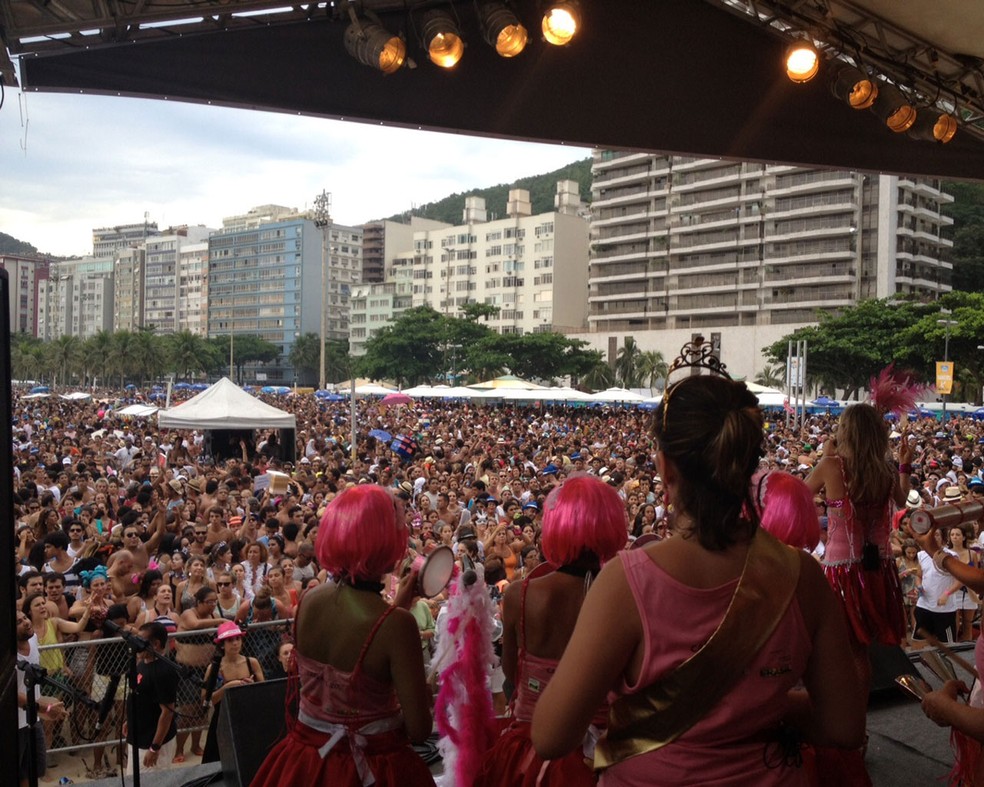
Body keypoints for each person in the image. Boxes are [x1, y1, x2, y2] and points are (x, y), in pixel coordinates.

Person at [530, 373, 864, 785]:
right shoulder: (803, 577)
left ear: (665, 467)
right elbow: (844, 725)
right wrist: (767, 707)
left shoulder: (626, 583)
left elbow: (550, 736)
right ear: (746, 464)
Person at [251, 484, 434, 787]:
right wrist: (425, 693)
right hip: (373, 769)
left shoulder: (309, 600)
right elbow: (419, 729)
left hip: (305, 762)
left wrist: (401, 601)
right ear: (387, 542)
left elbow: (359, 638)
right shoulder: (397, 625)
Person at [476, 475, 627, 787]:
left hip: (528, 750)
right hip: (602, 755)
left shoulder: (520, 594)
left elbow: (512, 675)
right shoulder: (625, 596)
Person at [805, 402, 911, 692]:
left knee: (841, 648)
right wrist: (905, 465)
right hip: (878, 570)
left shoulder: (831, 466)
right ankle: (858, 720)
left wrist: (825, 456)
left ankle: (847, 721)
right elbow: (902, 501)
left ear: (846, 432)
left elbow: (797, 496)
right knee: (859, 652)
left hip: (842, 572)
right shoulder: (887, 470)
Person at [17, 609, 68, 787]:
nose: (25, 622)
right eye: (18, 622)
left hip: (32, 719)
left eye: (24, 617)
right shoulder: (8, 655)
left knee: (34, 771)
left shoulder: (33, 639)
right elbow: (11, 693)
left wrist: (46, 704)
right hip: (13, 726)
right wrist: (43, 707)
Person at [201, 621, 265, 762]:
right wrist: (227, 688)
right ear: (222, 644)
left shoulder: (251, 662)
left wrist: (252, 686)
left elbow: (264, 691)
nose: (235, 643)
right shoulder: (214, 668)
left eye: (238, 639)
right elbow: (206, 700)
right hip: (223, 717)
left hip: (248, 715)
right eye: (230, 640)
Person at [124, 621, 180, 773]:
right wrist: (130, 720)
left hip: (152, 742)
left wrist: (155, 748)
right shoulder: (143, 663)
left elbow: (167, 712)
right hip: (138, 736)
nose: (137, 644)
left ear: (155, 644)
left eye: (142, 641)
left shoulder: (163, 671)